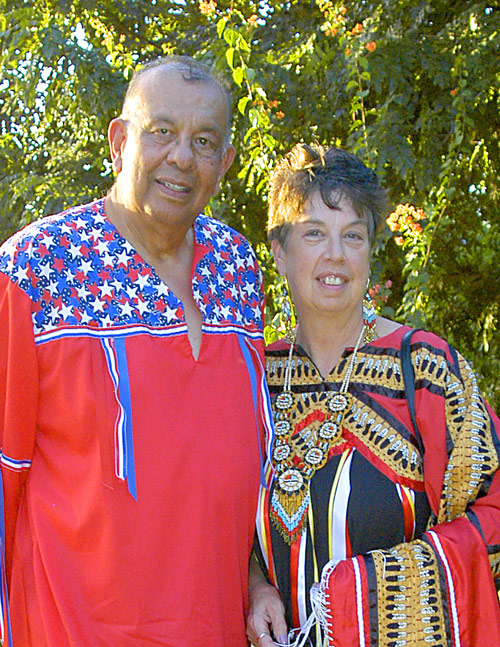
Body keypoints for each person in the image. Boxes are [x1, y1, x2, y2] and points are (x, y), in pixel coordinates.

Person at [0, 55, 269, 647]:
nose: (181, 157)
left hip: (216, 628)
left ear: (224, 164)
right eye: (162, 131)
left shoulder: (237, 268)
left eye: (204, 141)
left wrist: (257, 576)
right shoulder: (36, 270)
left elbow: (231, 471)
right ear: (120, 142)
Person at [247, 143, 500, 647]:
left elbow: (494, 516)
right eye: (313, 233)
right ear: (279, 252)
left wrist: (368, 596)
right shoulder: (253, 379)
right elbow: (218, 519)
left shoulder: (425, 370)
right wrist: (253, 584)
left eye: (353, 236)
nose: (335, 255)